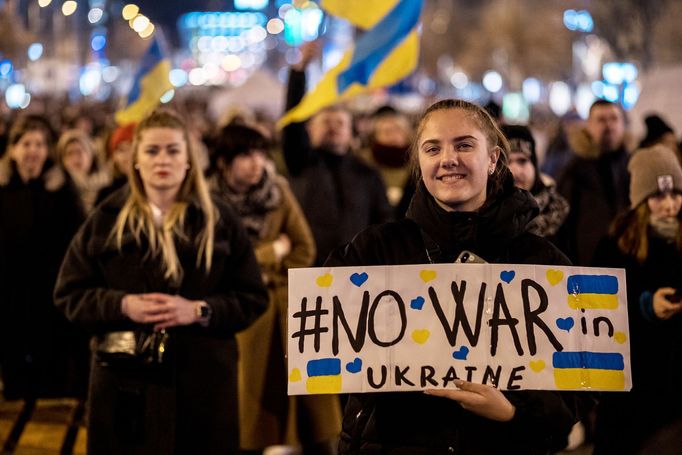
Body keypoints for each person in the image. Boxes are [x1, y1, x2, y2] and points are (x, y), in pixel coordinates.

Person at [325, 99, 595, 453]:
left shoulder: (541, 262)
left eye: (464, 145)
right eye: (432, 148)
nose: (448, 158)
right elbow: (323, 334)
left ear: (494, 159)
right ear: (420, 162)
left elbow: (582, 379)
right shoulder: (374, 252)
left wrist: (514, 410)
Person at [54, 110, 268, 454]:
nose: (162, 160)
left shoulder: (219, 219)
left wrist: (200, 310)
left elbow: (252, 297)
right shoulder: (106, 219)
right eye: (152, 151)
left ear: (188, 160)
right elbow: (69, 295)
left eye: (172, 150)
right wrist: (122, 304)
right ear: (135, 160)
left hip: (201, 388)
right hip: (126, 390)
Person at [208, 123, 341, 453]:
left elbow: (304, 248)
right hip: (241, 319)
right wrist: (272, 252)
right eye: (245, 156)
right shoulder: (209, 201)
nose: (256, 164)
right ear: (224, 161)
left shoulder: (277, 191)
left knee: (309, 417)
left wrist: (262, 266)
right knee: (248, 411)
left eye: (260, 154)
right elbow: (216, 264)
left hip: (285, 311)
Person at [592, 145, 682, 454]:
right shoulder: (616, 242)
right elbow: (598, 305)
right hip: (633, 377)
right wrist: (645, 304)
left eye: (675, 195)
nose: (670, 205)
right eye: (659, 197)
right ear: (641, 200)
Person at [0, 114, 87, 400]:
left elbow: (77, 238)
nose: (33, 151)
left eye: (39, 144)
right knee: (13, 358)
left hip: (50, 290)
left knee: (50, 362)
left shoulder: (61, 188)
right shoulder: (4, 189)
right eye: (26, 143)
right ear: (13, 150)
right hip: (10, 291)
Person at [282, 41, 392, 265]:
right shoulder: (301, 162)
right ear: (311, 129)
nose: (332, 127)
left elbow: (383, 221)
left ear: (351, 133)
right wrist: (299, 71)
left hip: (358, 270)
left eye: (339, 122)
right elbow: (293, 121)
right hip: (310, 269)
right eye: (325, 122)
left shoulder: (367, 173)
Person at [557, 100, 631, 265]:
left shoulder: (633, 165)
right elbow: (564, 224)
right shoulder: (574, 169)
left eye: (614, 119)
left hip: (629, 263)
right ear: (589, 126)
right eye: (601, 120)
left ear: (623, 123)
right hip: (588, 265)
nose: (608, 125)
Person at [502, 124, 569, 240]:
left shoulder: (557, 210)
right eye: (507, 162)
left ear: (534, 164)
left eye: (522, 161)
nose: (514, 172)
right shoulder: (485, 215)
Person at [56, 128, 111, 212]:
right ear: (62, 160)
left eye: (79, 151)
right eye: (69, 153)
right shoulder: (59, 189)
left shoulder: (108, 183)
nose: (75, 158)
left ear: (91, 154)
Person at [95, 122, 135, 205]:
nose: (128, 155)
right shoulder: (106, 195)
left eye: (132, 148)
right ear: (114, 156)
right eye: (121, 150)